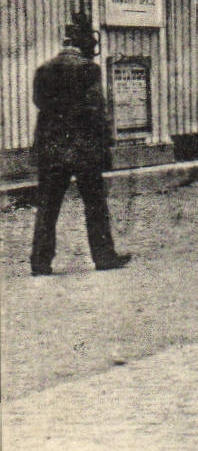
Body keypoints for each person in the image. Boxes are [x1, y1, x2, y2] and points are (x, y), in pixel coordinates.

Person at [30, 15, 131, 276]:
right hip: (83, 149)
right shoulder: (89, 70)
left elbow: (40, 103)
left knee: (48, 205)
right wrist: (106, 144)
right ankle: (103, 256)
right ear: (83, 43)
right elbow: (96, 110)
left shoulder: (43, 70)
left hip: (51, 149)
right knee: (95, 204)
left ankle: (40, 261)